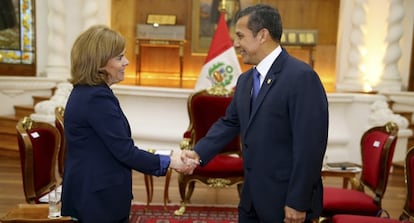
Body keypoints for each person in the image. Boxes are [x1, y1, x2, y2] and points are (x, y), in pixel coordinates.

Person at [182, 4, 328, 223]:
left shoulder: (301, 78)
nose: (235, 43)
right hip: (251, 198)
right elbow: (229, 123)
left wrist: (298, 201)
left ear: (262, 35)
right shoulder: (245, 80)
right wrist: (198, 153)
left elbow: (310, 147)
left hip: (285, 201)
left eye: (240, 36)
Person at [61, 25, 195, 223]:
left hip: (91, 194)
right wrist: (171, 161)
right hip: (96, 202)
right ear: (99, 63)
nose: (127, 62)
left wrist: (168, 156)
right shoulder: (96, 98)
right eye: (119, 57)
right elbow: (125, 152)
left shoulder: (88, 92)